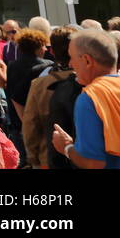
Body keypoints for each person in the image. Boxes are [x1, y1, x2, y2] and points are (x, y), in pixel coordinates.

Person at [52, 29, 120, 169]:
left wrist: (66, 147)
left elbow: (94, 164)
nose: (70, 64)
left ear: (87, 60)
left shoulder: (90, 98)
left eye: (72, 57)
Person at [23, 26, 76, 168]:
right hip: (88, 154)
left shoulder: (39, 84)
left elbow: (30, 123)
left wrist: (33, 157)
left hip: (49, 155)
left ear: (52, 51)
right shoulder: (92, 78)